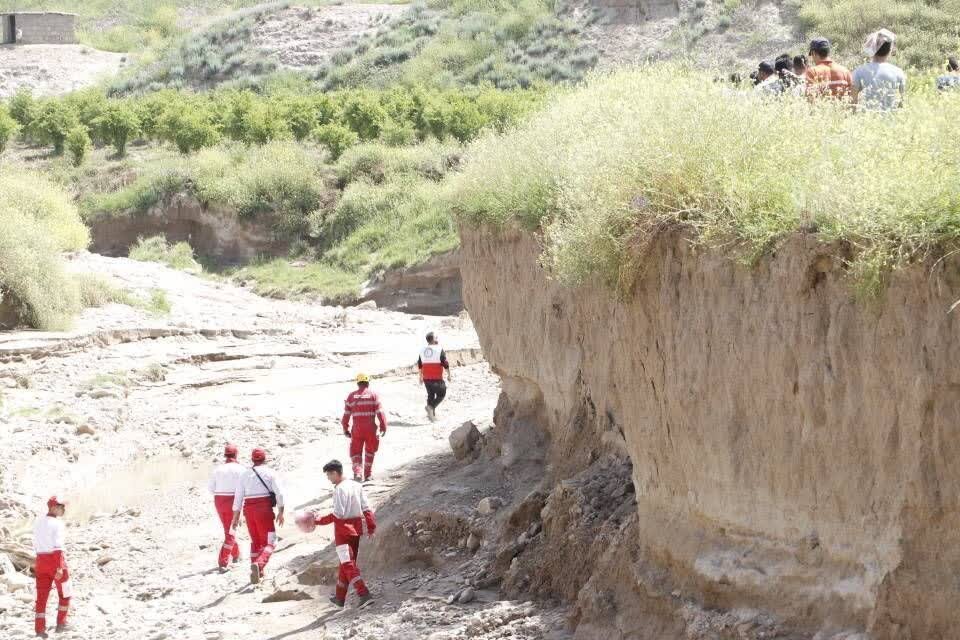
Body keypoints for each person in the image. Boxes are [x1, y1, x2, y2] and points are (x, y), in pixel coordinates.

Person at [315, 460, 375, 609]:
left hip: (343, 531)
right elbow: (366, 508)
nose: (328, 478)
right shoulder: (357, 485)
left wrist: (318, 520)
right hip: (356, 529)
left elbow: (338, 514)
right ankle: (339, 598)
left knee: (348, 564)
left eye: (329, 475)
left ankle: (364, 593)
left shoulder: (339, 489)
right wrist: (371, 526)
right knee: (345, 562)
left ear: (335, 473)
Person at [231, 448, 285, 584]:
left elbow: (238, 497)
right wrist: (281, 511)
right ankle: (259, 565)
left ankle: (257, 572)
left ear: (252, 459)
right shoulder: (270, 472)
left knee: (256, 542)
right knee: (271, 541)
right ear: (265, 459)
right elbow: (280, 493)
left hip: (248, 510)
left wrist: (235, 516)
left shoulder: (244, 474)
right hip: (264, 509)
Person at [33, 497, 71, 637]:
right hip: (55, 561)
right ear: (54, 507)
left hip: (40, 561)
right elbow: (58, 547)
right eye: (61, 507)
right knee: (65, 592)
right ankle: (61, 623)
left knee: (41, 597)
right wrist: (59, 567)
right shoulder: (57, 523)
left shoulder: (38, 522)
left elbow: (35, 544)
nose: (63, 510)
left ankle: (40, 630)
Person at [342, 373, 388, 483]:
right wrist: (383, 426)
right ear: (367, 383)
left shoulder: (351, 396)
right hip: (371, 429)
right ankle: (368, 475)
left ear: (358, 383)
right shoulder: (373, 395)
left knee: (355, 452)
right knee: (370, 451)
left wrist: (345, 429)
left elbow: (346, 416)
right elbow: (380, 413)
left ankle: (358, 473)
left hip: (357, 429)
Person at [208, 443, 246, 571]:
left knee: (228, 528)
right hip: (233, 500)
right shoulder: (241, 469)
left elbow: (211, 489)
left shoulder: (218, 469)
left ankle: (236, 554)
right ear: (236, 454)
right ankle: (223, 562)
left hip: (219, 501)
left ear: (225, 455)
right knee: (231, 532)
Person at [852, 29, 906, 111]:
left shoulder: (859, 72)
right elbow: (902, 103)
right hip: (892, 118)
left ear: (872, 48)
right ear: (890, 49)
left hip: (866, 118)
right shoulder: (898, 72)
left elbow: (853, 103)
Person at [418, 332, 451, 422]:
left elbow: (420, 365)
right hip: (436, 377)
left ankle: (431, 417)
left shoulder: (422, 350)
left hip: (426, 378)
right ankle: (431, 407)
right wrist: (449, 374)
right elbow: (445, 363)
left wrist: (420, 377)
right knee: (442, 394)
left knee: (431, 396)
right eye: (436, 337)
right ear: (432, 340)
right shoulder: (439, 349)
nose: (437, 339)